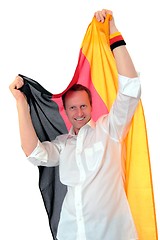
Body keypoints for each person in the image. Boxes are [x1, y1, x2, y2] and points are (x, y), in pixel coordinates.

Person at [9, 9, 141, 240]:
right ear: (66, 112)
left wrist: (113, 33)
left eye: (83, 106)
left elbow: (131, 89)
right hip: (71, 234)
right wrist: (21, 102)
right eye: (72, 108)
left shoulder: (110, 130)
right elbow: (33, 152)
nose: (78, 112)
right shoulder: (63, 146)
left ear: (91, 107)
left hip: (113, 234)